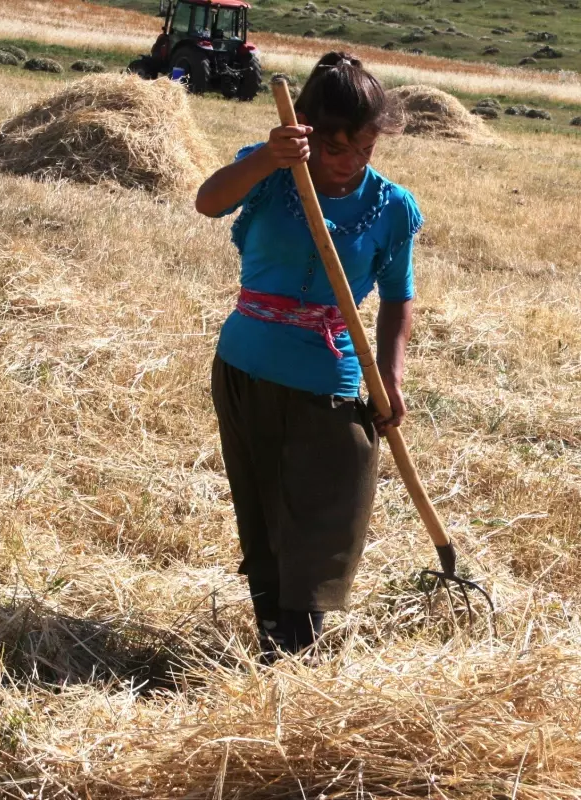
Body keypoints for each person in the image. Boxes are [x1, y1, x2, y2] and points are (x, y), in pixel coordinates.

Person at [194, 51, 422, 660]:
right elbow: (208, 201)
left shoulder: (392, 207)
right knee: (263, 508)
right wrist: (270, 156)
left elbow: (398, 298)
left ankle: (298, 648)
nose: (352, 164)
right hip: (246, 368)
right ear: (308, 134)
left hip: (332, 380)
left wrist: (392, 376)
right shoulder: (271, 172)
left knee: (328, 516)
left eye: (366, 149)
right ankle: (276, 644)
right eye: (338, 149)